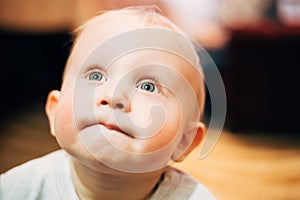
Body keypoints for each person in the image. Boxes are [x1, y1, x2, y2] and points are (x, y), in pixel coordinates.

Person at [0, 6, 215, 200]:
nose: (114, 96)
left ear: (184, 142)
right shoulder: (17, 189)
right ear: (54, 111)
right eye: (95, 76)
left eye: (148, 87)